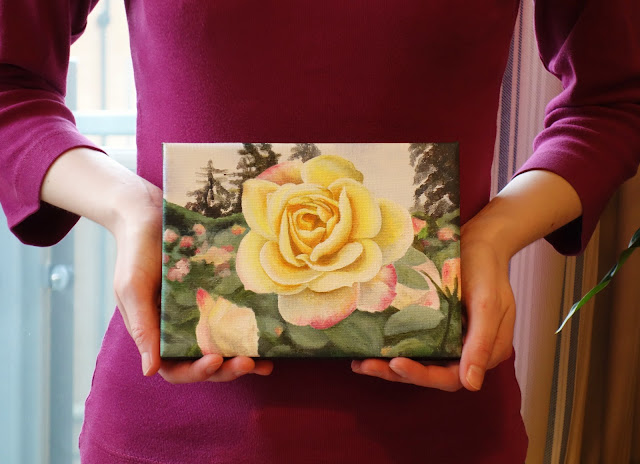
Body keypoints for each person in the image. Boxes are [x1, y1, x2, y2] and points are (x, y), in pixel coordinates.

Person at [1, 0, 639, 462]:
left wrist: (495, 233)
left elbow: (616, 98)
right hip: (171, 429)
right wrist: (130, 208)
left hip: (442, 424)